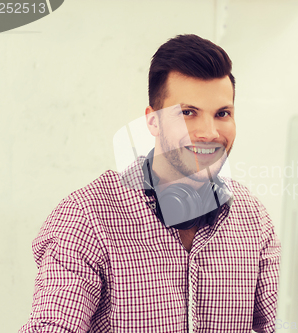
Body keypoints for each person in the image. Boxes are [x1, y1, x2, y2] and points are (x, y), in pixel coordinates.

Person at [19, 34, 280, 333]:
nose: (209, 132)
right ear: (153, 121)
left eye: (222, 114)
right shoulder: (85, 218)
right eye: (187, 113)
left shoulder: (253, 218)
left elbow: (285, 324)